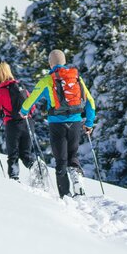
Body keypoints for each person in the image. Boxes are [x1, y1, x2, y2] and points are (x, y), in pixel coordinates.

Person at [20, 49, 96, 198]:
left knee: (61, 160)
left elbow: (31, 100)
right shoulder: (76, 78)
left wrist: (23, 112)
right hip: (75, 123)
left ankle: (65, 195)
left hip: (57, 125)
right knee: (72, 155)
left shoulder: (47, 80)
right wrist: (89, 123)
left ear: (50, 64)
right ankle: (76, 176)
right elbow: (90, 102)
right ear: (64, 62)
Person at [0, 61, 40, 183]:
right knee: (26, 154)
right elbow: (32, 107)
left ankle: (14, 179)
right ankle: (36, 167)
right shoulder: (21, 87)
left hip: (13, 125)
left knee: (13, 155)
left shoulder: (1, 91)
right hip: (28, 123)